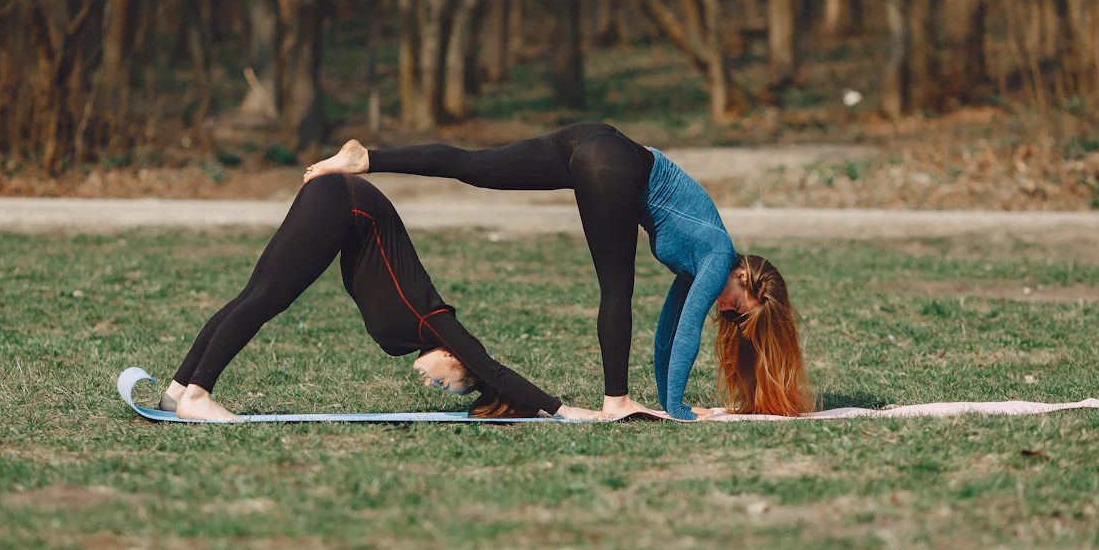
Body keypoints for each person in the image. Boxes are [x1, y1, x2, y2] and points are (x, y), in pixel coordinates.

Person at [303, 123, 813, 419]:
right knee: (616, 289)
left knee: (475, 166)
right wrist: (678, 411)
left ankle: (366, 157)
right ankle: (616, 400)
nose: (725, 309)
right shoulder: (721, 255)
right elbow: (685, 337)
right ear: (747, 279)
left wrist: (670, 400)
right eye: (737, 306)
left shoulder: (699, 262)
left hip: (590, 141)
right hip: (613, 163)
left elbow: (667, 337)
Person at [161, 173, 595, 422]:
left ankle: (178, 391)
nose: (433, 385)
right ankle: (197, 396)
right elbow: (493, 371)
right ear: (455, 354)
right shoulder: (435, 319)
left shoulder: (409, 337)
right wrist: (561, 409)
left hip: (342, 206)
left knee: (256, 296)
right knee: (264, 298)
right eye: (446, 382)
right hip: (346, 203)